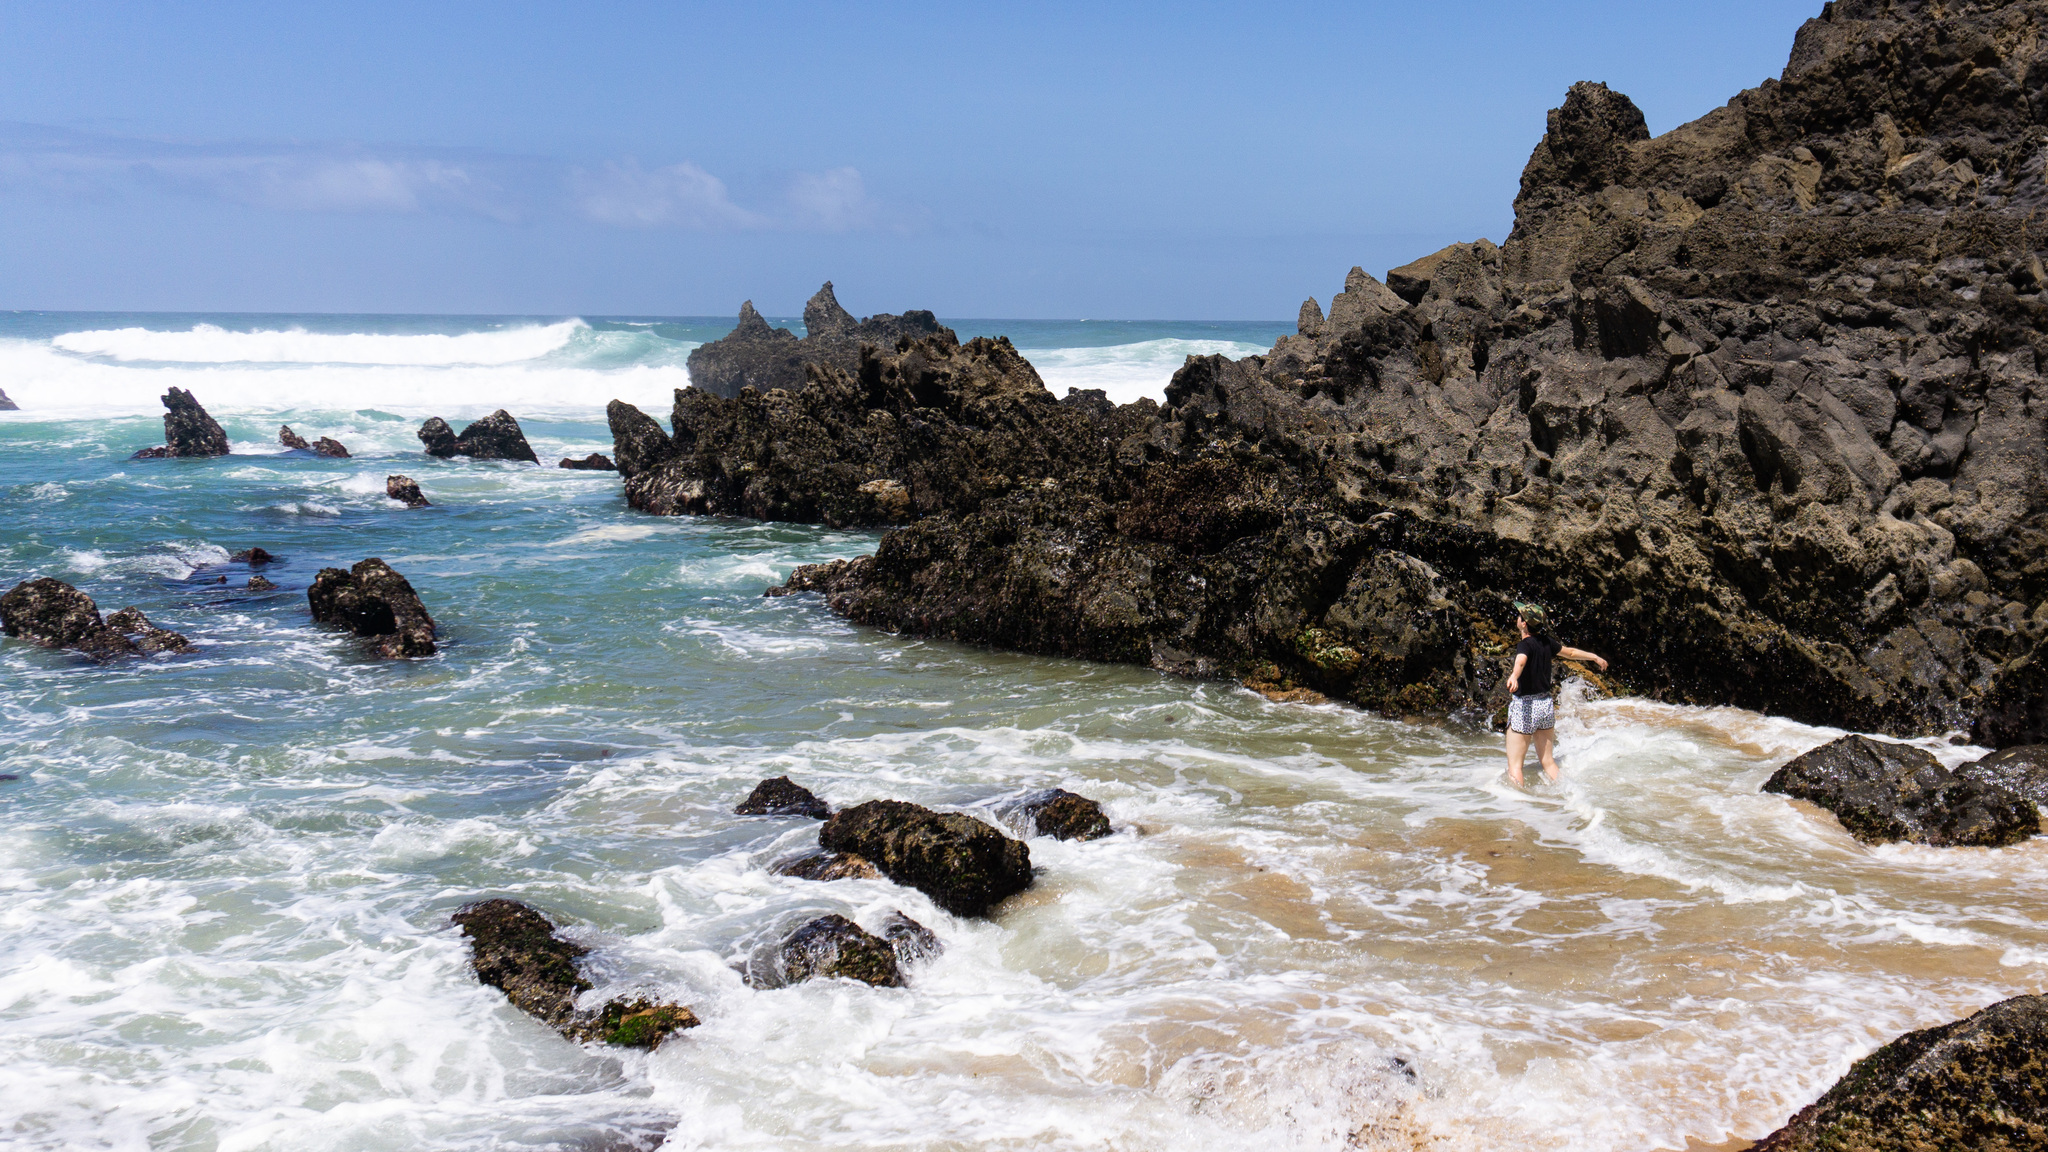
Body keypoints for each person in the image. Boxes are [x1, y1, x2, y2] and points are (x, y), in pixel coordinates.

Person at [1503, 602, 1608, 787]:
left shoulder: (1524, 645)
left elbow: (1520, 661)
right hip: (1545, 706)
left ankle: (1517, 810)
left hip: (1525, 708)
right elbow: (1572, 653)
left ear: (1524, 623)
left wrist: (1514, 676)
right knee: (1548, 762)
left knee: (1515, 766)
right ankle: (1569, 794)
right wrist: (1594, 657)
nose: (1517, 618)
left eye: (1519, 616)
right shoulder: (1547, 642)